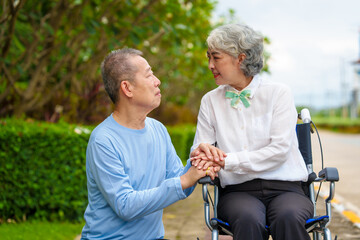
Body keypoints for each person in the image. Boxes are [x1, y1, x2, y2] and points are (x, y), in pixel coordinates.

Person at [190, 24, 313, 240]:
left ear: (240, 58)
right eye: (208, 57)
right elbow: (200, 151)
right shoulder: (210, 101)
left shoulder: (278, 93)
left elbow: (279, 151)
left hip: (287, 188)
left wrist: (226, 161)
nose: (210, 65)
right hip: (238, 191)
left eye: (216, 58)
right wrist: (201, 152)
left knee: (289, 217)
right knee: (247, 219)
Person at [80, 48, 218, 240]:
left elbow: (181, 184)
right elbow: (125, 205)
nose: (157, 81)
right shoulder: (104, 140)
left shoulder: (158, 130)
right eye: (149, 75)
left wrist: (197, 161)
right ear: (127, 88)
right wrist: (185, 179)